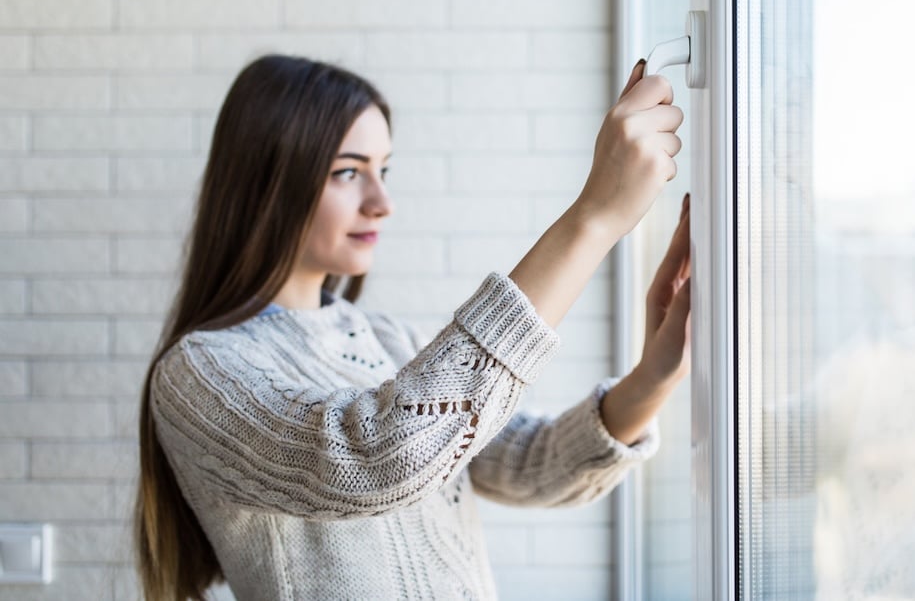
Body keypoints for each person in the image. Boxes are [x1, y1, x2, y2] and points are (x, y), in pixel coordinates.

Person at [134, 54, 691, 601]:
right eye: (348, 172)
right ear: (266, 181)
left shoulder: (385, 339)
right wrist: (592, 220)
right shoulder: (198, 374)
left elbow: (527, 462)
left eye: (384, 170)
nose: (382, 203)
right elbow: (375, 458)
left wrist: (655, 376)